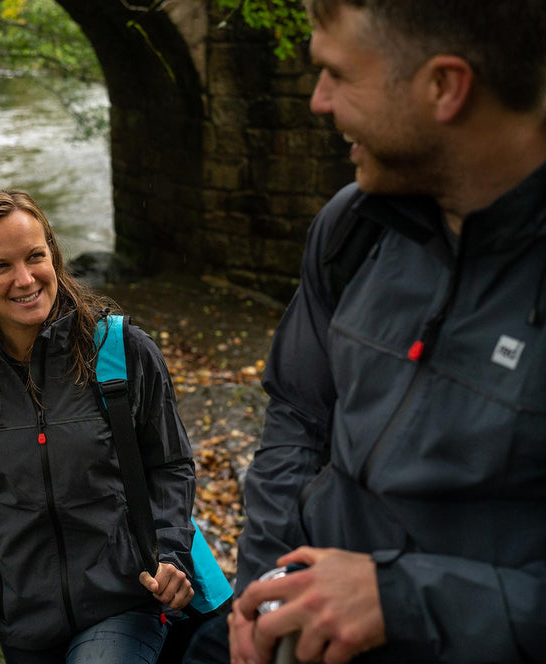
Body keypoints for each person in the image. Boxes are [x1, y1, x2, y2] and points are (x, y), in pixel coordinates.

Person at [223, 1, 546, 663]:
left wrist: (400, 600)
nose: (317, 100)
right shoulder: (354, 228)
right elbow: (297, 416)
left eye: (339, 74)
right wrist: (261, 592)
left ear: (444, 87)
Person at [0, 189, 198, 664]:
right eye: (0, 266)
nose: (25, 279)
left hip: (124, 604)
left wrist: (171, 554)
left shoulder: (122, 352)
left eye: (35, 257)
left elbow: (170, 465)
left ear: (54, 255)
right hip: (25, 627)